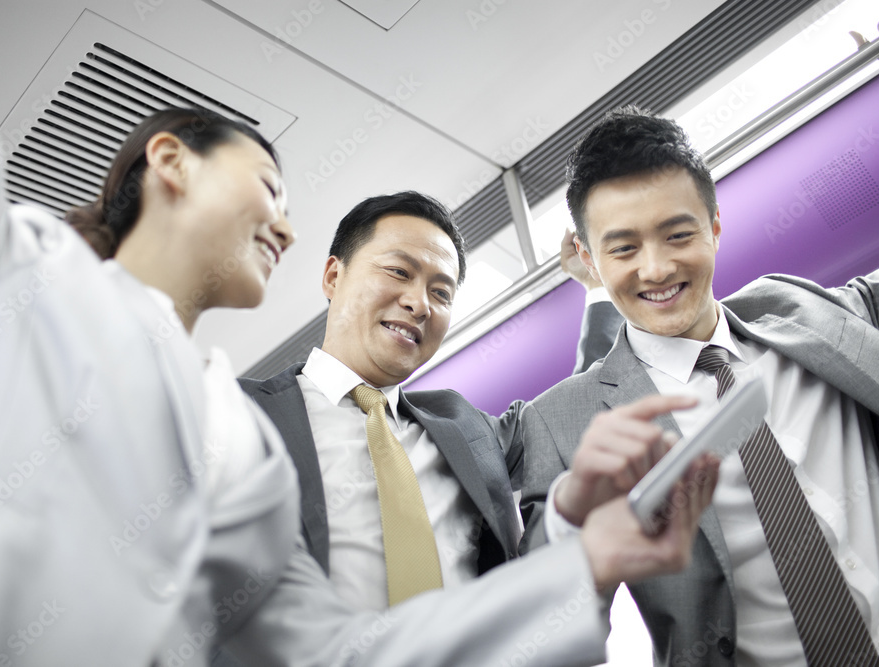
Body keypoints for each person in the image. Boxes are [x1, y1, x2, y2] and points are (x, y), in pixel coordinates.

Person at [0, 1, 717, 664]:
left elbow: (335, 652)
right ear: (171, 160)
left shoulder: (238, 443)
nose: (286, 228)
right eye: (269, 186)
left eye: (442, 289)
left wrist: (584, 560)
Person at [520, 5, 879, 666]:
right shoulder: (562, 420)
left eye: (678, 234)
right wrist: (574, 525)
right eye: (623, 247)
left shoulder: (804, 311)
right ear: (589, 261)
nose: (657, 268)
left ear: (714, 225)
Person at [236, 192, 624, 615]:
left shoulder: (464, 427)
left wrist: (598, 289)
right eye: (399, 271)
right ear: (333, 276)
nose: (420, 303)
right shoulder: (235, 413)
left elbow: (578, 408)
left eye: (441, 293)